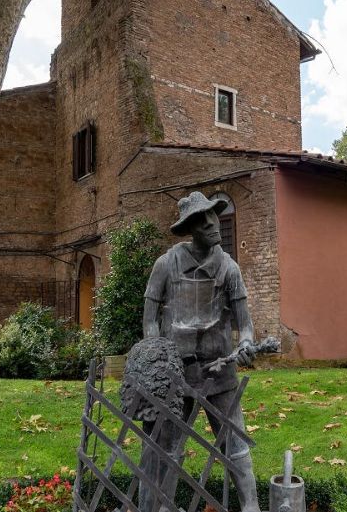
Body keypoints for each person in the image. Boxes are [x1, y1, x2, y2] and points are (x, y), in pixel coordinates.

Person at [142, 191, 260, 512]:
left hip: (219, 372)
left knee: (235, 442)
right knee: (166, 447)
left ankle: (250, 506)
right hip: (175, 373)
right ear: (191, 227)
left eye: (213, 214)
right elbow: (150, 320)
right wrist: (155, 357)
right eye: (202, 218)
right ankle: (161, 506)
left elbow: (245, 326)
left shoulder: (229, 268)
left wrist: (246, 343)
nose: (212, 222)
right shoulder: (166, 265)